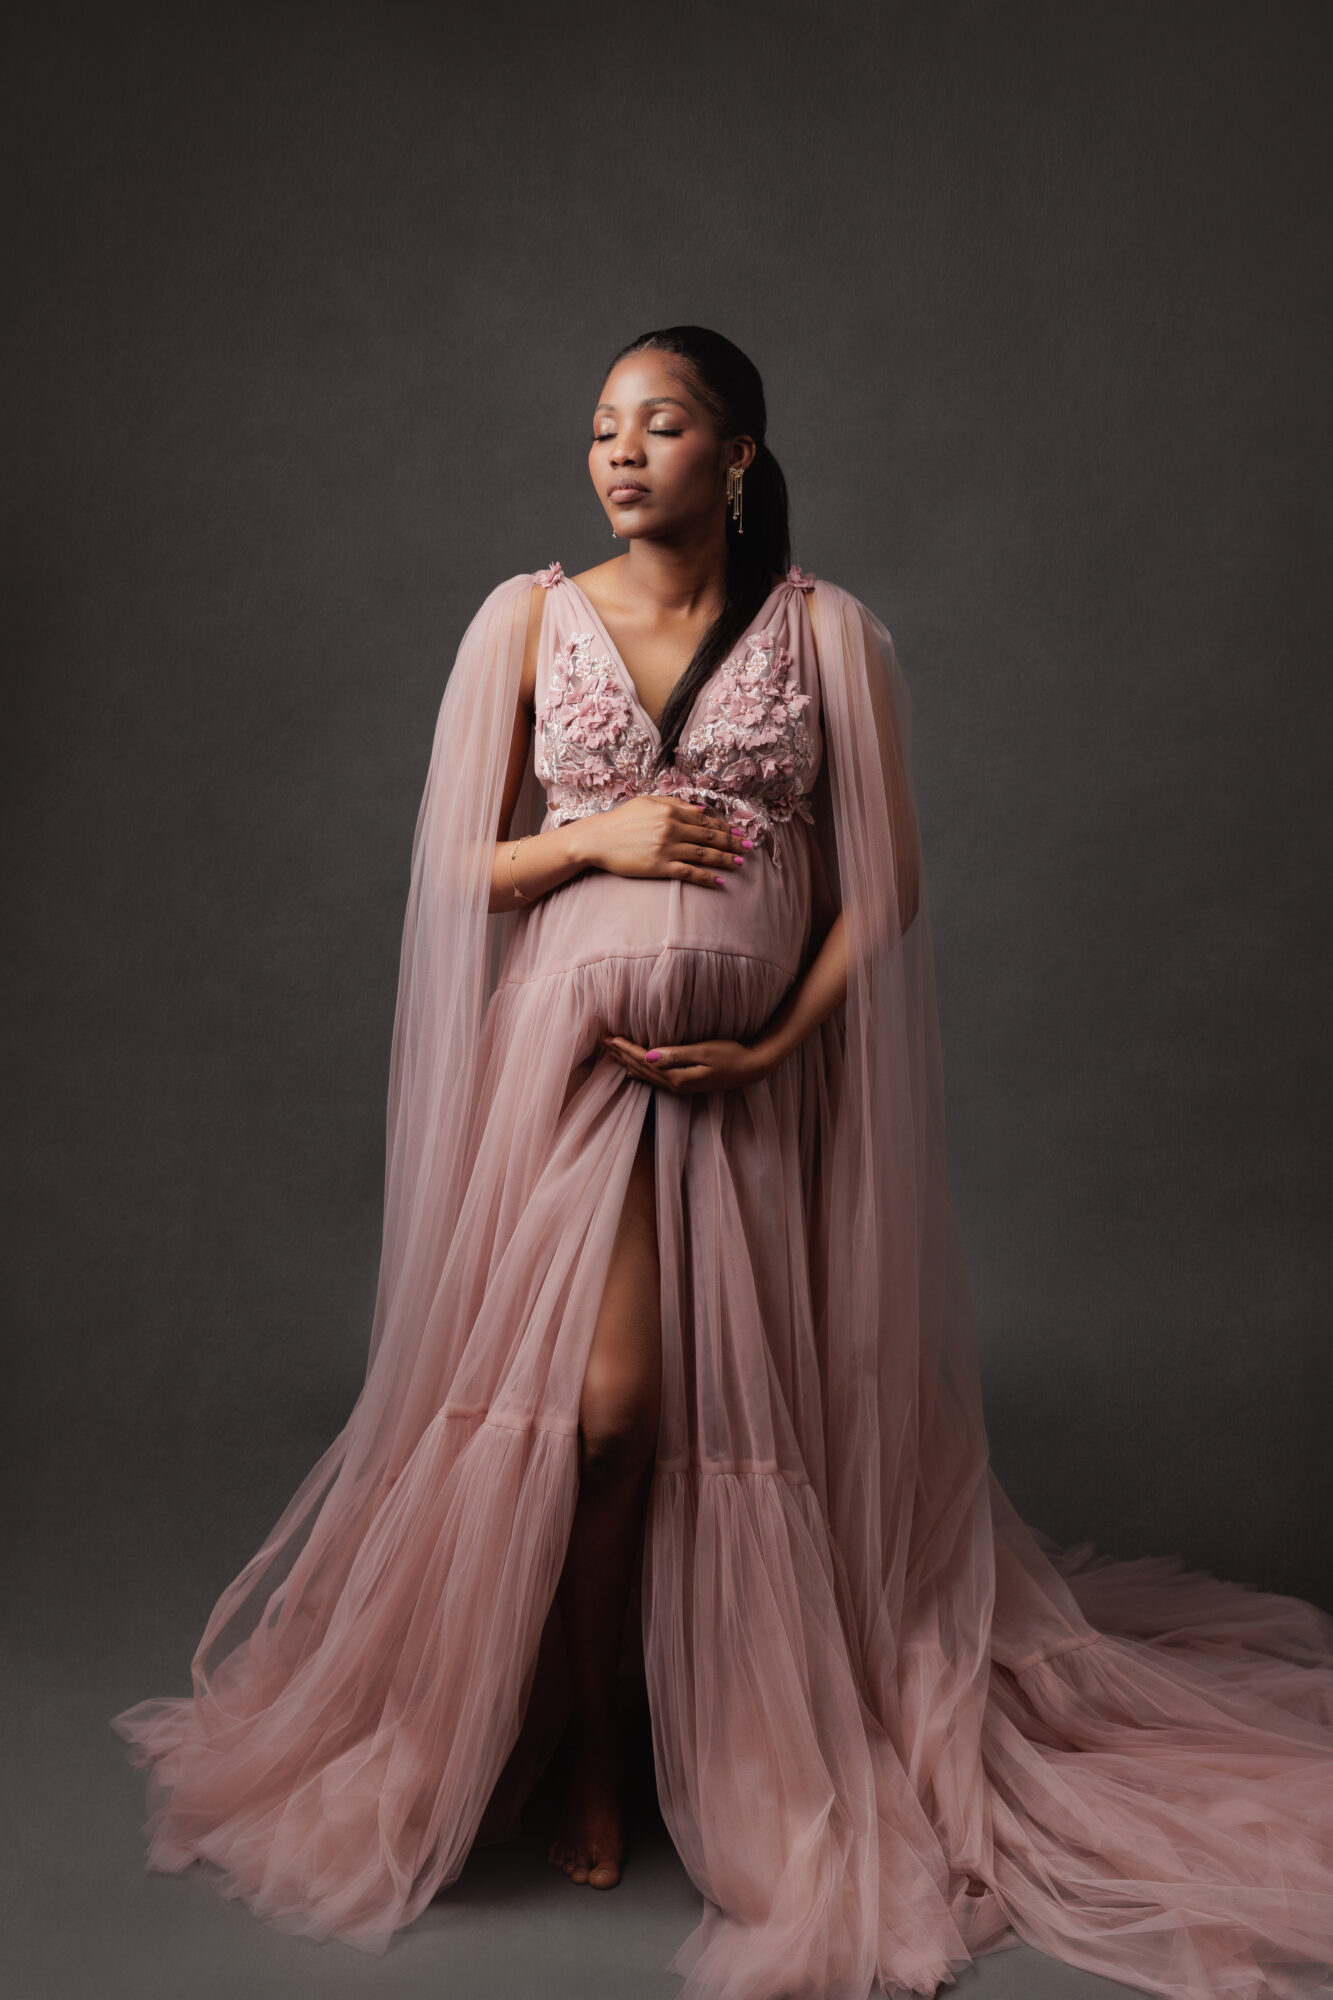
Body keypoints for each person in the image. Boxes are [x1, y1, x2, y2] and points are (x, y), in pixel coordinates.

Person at [112, 326, 1333, 2000]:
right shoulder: (523, 619)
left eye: (660, 424)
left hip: (746, 1089)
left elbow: (882, 889)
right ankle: (591, 1741)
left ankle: (709, 1725)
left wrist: (769, 1048)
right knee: (604, 1418)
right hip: (566, 1079)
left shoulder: (831, 635)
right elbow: (450, 867)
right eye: (600, 428)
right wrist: (592, 838)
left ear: (736, 451)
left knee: (720, 1426)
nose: (619, 453)